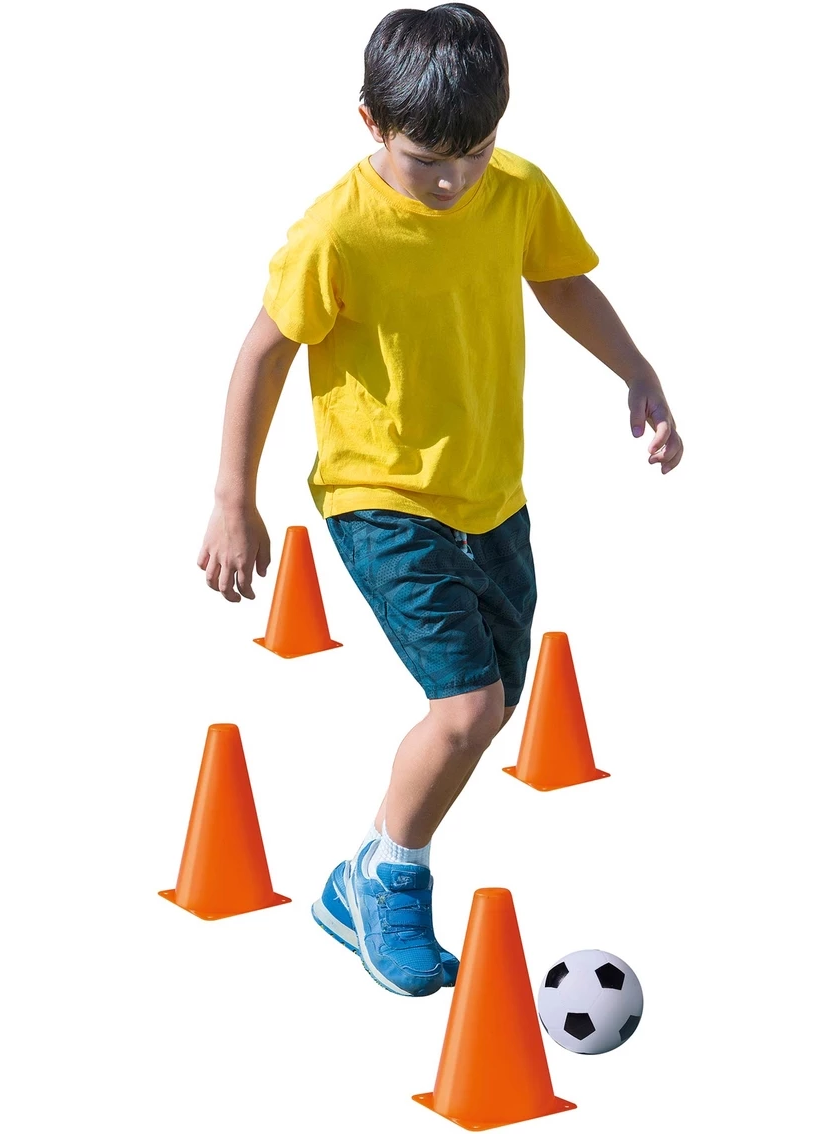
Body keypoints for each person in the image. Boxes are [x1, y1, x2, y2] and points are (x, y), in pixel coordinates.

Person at [196, 3, 683, 998]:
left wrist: (637, 370)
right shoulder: (338, 231)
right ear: (370, 123)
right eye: (428, 161)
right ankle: (392, 878)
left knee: (491, 699)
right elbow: (262, 354)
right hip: (379, 496)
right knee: (467, 709)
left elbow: (562, 284)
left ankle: (362, 873)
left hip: (491, 494)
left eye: (475, 151)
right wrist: (232, 500)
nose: (455, 179)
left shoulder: (516, 191)